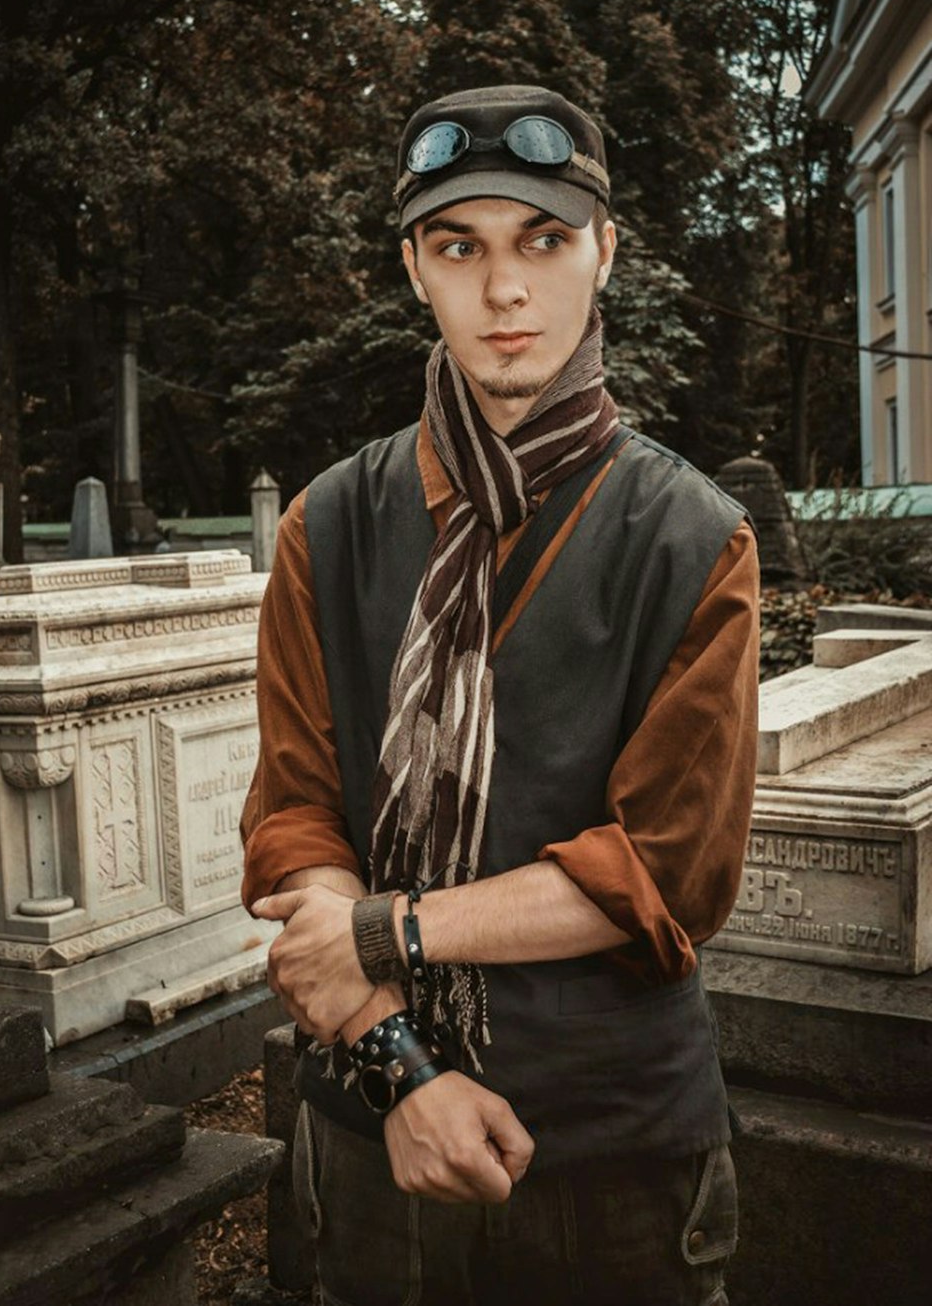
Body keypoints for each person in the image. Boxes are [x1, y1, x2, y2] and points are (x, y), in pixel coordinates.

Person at [240, 83, 759, 1306]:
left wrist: (387, 929)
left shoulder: (689, 536)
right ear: (415, 268)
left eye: (542, 239)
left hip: (613, 1154)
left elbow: (662, 871)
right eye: (458, 246)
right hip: (372, 1144)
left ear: (604, 252)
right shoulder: (331, 524)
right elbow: (298, 818)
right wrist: (401, 1063)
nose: (505, 289)